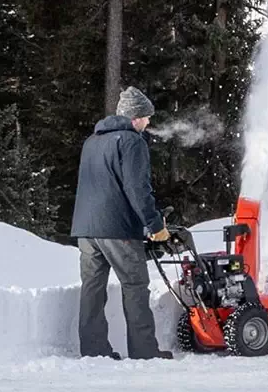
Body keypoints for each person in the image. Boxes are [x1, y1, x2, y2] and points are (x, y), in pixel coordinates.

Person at [70, 86, 172, 360]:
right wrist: (155, 225)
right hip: (117, 228)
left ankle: (93, 351)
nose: (148, 123)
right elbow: (138, 188)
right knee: (135, 285)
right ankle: (145, 351)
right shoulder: (131, 141)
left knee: (92, 288)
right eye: (146, 117)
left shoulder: (92, 141)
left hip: (86, 229)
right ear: (136, 117)